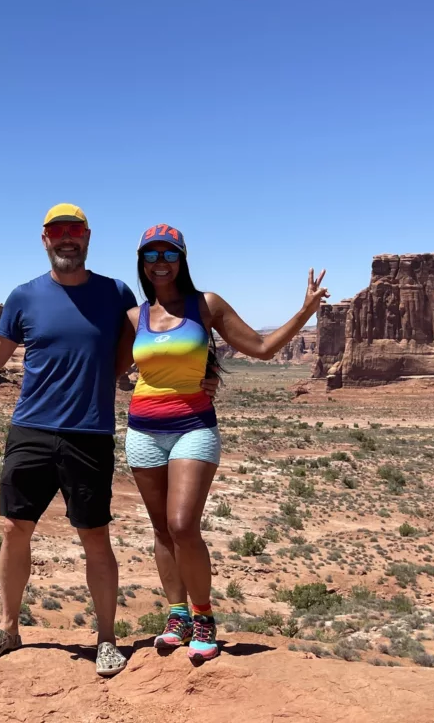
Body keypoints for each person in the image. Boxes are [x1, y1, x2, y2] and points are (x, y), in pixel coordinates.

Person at [0, 204, 215, 678]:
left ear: (87, 237)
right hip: (30, 427)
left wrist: (205, 380)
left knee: (94, 536)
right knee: (14, 528)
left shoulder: (116, 294)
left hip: (89, 433)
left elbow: (160, 343)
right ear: (45, 238)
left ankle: (107, 640)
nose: (66, 239)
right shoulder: (24, 296)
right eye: (57, 232)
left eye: (74, 231)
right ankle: (7, 628)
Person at [121, 222, 327, 663]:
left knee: (182, 525)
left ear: (182, 259)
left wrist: (305, 311)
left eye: (169, 254)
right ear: (142, 262)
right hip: (141, 431)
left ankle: (203, 616)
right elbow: (112, 368)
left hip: (193, 426)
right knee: (160, 529)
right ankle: (176, 616)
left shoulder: (206, 305)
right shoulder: (134, 317)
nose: (161, 263)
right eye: (152, 255)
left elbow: (263, 347)